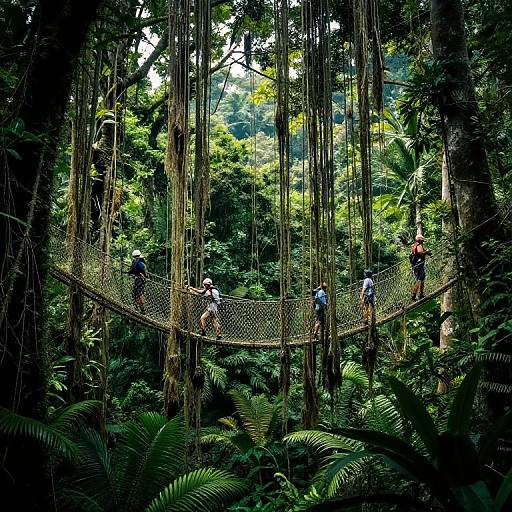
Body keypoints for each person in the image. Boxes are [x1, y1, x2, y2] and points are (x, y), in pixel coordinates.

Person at [410, 234, 432, 301]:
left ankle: (420, 294)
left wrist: (426, 252)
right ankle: (415, 294)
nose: (423, 241)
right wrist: (427, 252)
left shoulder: (414, 245)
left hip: (416, 265)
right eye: (422, 239)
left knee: (421, 279)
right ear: (419, 240)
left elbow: (419, 253)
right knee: (420, 279)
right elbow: (420, 252)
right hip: (419, 265)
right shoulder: (419, 245)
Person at [128, 249, 148, 314]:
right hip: (141, 279)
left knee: (138, 294)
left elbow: (134, 270)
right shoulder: (140, 262)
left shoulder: (138, 262)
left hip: (140, 279)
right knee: (137, 293)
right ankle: (139, 309)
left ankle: (141, 309)